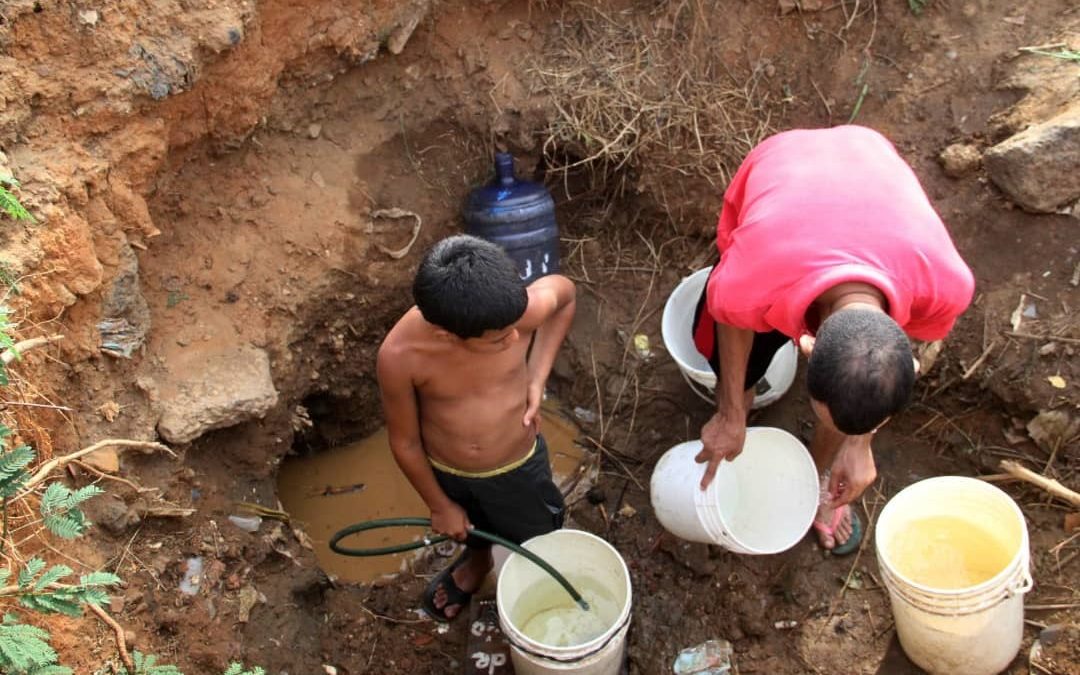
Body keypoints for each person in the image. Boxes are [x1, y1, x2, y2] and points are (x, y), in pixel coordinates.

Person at [692, 125, 974, 555]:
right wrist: (731, 412)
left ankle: (817, 482)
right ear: (804, 344)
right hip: (783, 163)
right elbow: (732, 319)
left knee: (851, 398)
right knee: (726, 354)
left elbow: (878, 372)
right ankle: (741, 411)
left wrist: (860, 443)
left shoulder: (946, 288)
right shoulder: (750, 277)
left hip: (869, 152)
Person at [377, 234, 576, 620]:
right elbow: (405, 442)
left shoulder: (517, 313)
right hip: (450, 471)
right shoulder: (402, 357)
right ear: (446, 335)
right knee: (469, 526)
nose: (516, 338)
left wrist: (537, 376)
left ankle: (539, 575)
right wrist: (440, 505)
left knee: (538, 533)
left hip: (518, 466)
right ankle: (478, 561)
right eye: (501, 340)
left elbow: (565, 296)